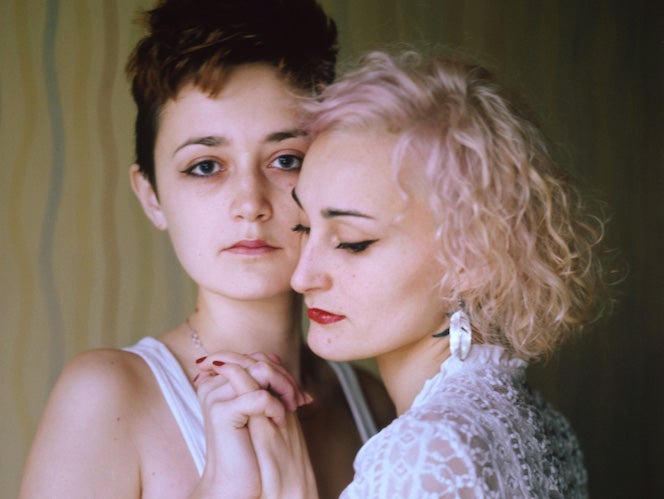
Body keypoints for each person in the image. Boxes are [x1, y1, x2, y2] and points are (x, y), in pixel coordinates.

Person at [18, 2, 394, 498]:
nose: (249, 204)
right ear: (151, 196)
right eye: (205, 166)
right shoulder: (106, 396)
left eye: (285, 159)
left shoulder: (371, 400)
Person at [209, 50, 611, 498]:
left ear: (473, 258)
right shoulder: (544, 426)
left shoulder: (424, 455)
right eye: (305, 227)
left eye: (352, 242)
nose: (302, 277)